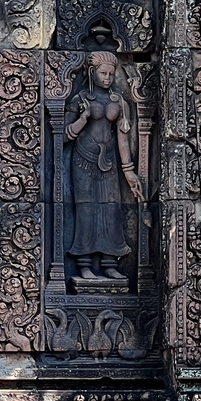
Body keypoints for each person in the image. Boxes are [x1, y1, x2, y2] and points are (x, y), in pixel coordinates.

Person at [65, 51, 141, 281]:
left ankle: (110, 263)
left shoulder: (119, 103)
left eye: (111, 74)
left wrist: (129, 171)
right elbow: (63, 137)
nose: (107, 78)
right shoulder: (80, 100)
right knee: (86, 210)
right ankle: (84, 263)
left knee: (111, 210)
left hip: (110, 163)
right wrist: (83, 118)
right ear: (92, 72)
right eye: (103, 73)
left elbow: (123, 139)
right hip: (83, 160)